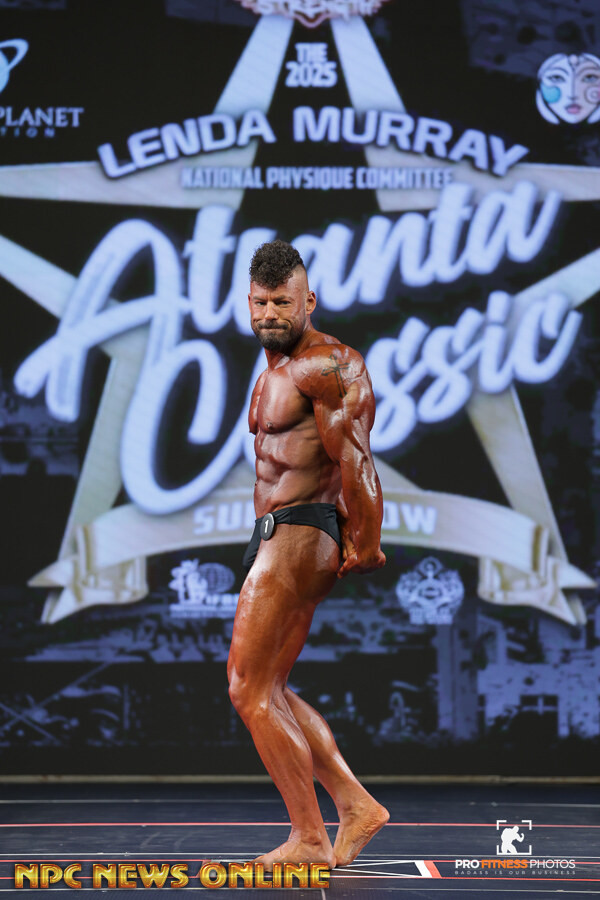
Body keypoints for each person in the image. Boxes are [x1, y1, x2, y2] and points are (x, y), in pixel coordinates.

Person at [227, 239, 388, 869]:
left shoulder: (329, 365)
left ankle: (309, 838)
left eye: (282, 302)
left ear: (309, 301)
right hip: (276, 532)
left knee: (248, 689)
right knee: (269, 687)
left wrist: (367, 541)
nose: (270, 313)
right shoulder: (273, 372)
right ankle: (355, 805)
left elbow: (355, 457)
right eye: (260, 302)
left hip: (299, 531)